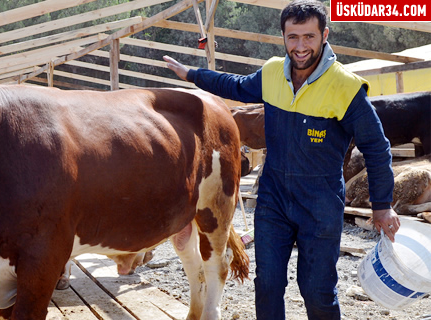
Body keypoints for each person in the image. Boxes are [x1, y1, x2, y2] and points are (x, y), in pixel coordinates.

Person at [163, 0, 399, 319]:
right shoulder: (273, 72)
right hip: (273, 198)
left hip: (320, 202)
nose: (300, 46)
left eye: (309, 37)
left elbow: (377, 146)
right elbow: (234, 85)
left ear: (324, 35)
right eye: (293, 37)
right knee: (268, 286)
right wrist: (191, 74)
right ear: (284, 37)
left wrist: (382, 205)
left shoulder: (346, 87)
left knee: (316, 290)